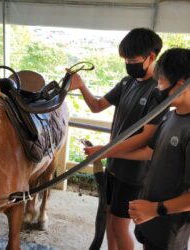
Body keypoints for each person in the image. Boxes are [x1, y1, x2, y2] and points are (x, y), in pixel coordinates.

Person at [69, 28, 164, 250]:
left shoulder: (157, 91)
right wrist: (81, 85)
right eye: (125, 60)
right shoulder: (126, 83)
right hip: (114, 166)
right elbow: (96, 106)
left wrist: (104, 151)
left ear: (152, 56)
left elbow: (145, 138)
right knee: (110, 222)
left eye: (132, 60)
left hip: (134, 174)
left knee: (121, 227)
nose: (128, 65)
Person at [114, 48, 190, 250]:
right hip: (151, 221)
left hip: (169, 228)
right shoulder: (171, 116)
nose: (157, 88)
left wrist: (156, 209)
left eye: (160, 82)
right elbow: (151, 153)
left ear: (180, 86)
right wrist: (107, 151)